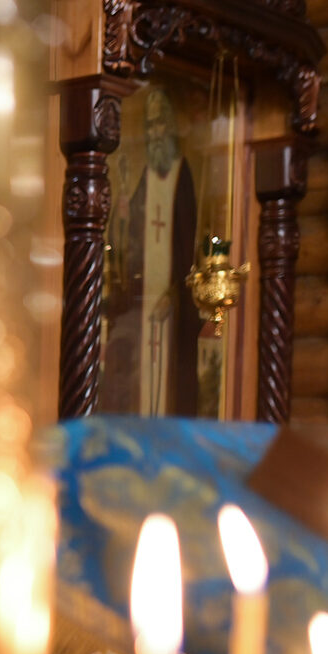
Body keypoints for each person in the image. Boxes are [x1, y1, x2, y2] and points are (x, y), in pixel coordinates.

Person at [104, 85, 200, 416]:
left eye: (160, 124)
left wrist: (174, 292)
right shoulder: (147, 173)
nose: (154, 132)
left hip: (170, 302)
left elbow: (187, 240)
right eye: (149, 125)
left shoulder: (181, 173)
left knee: (168, 371)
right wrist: (123, 212)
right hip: (143, 298)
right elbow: (133, 230)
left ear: (170, 127)